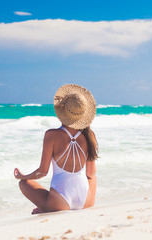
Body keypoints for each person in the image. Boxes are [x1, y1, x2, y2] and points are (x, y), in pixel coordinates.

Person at [14, 84, 98, 214]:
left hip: (59, 202)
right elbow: (91, 173)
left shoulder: (51, 135)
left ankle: (46, 208)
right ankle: (47, 208)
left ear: (61, 110)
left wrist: (23, 176)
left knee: (23, 183)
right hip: (86, 201)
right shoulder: (90, 135)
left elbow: (42, 172)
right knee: (92, 178)